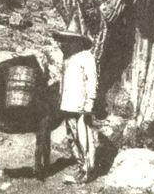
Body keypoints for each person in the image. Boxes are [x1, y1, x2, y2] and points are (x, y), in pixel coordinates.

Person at [52, 15, 97, 184]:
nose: (65, 43)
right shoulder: (67, 59)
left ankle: (88, 171)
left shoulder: (86, 56)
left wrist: (89, 102)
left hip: (81, 106)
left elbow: (91, 80)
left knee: (84, 139)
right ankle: (80, 167)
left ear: (78, 41)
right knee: (72, 138)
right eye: (64, 40)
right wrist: (60, 99)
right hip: (68, 105)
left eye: (69, 40)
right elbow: (63, 83)